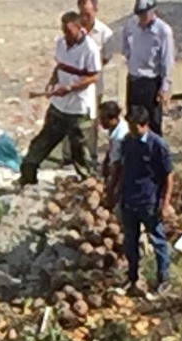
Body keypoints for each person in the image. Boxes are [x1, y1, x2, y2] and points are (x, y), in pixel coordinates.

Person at [19, 11, 102, 184]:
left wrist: (71, 87)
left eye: (70, 32)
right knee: (42, 142)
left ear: (80, 29)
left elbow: (94, 76)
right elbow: (60, 67)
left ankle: (89, 183)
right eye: (64, 32)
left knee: (80, 151)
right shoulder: (61, 43)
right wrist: (53, 81)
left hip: (79, 109)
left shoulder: (90, 49)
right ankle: (27, 177)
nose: (67, 36)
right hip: (59, 106)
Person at [110, 106, 174, 294]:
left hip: (149, 202)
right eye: (129, 126)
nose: (131, 131)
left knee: (158, 241)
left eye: (134, 127)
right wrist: (115, 192)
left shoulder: (158, 145)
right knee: (130, 241)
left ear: (144, 125)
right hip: (129, 200)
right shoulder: (128, 141)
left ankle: (163, 278)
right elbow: (123, 168)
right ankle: (132, 277)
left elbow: (169, 175)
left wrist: (165, 203)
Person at [60, 0, 115, 164]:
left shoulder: (104, 33)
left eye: (88, 13)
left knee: (90, 121)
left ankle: (89, 156)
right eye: (82, 13)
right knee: (69, 118)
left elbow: (104, 59)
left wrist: (86, 70)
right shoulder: (74, 30)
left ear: (95, 11)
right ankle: (69, 156)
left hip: (92, 86)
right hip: (72, 83)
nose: (85, 17)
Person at [122, 0, 175, 137]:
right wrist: (129, 56)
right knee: (133, 119)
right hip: (134, 78)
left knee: (153, 122)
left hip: (151, 81)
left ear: (152, 12)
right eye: (140, 15)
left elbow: (167, 60)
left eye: (144, 15)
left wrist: (164, 87)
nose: (141, 19)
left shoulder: (163, 31)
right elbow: (125, 38)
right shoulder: (132, 24)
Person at [99, 101, 129, 203]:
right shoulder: (116, 126)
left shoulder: (120, 136)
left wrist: (110, 189)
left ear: (113, 118)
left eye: (103, 119)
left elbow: (117, 166)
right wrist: (106, 161)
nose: (101, 122)